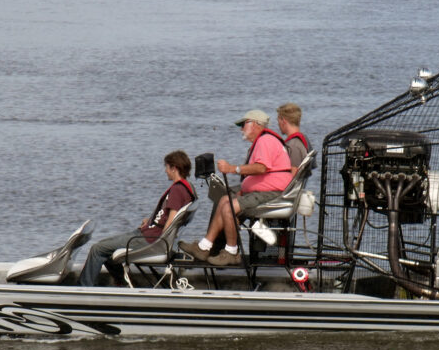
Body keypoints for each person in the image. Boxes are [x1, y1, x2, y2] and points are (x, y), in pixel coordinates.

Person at [180, 110, 293, 266]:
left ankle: (231, 252)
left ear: (255, 124)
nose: (241, 129)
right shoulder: (265, 140)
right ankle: (204, 247)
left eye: (243, 124)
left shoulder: (265, 141)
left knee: (229, 208)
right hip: (267, 191)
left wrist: (233, 169)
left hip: (273, 193)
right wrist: (245, 188)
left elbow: (261, 168)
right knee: (224, 199)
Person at [78, 150, 195, 286]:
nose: (165, 171)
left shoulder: (177, 190)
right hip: (150, 234)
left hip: (149, 240)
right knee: (107, 250)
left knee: (98, 249)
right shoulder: (187, 188)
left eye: (167, 167)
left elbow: (170, 222)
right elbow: (167, 218)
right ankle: (125, 285)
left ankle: (83, 288)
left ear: (174, 168)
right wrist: (150, 222)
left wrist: (159, 244)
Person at [276, 102, 312, 174]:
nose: (278, 124)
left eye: (278, 120)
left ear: (283, 121)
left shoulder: (293, 145)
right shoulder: (304, 139)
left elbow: (293, 173)